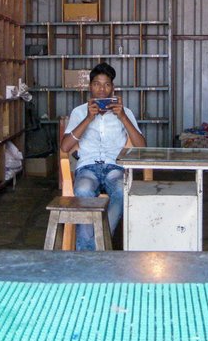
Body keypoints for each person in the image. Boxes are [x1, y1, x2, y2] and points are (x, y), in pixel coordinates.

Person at [61, 62, 146, 250]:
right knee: (83, 190)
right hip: (88, 168)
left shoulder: (125, 112)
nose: (101, 89)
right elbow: (65, 146)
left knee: (121, 191)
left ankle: (95, 245)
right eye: (97, 84)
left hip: (115, 167)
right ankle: (95, 249)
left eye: (107, 84)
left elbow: (141, 147)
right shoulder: (79, 112)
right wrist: (88, 119)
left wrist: (123, 117)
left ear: (112, 88)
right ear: (90, 87)